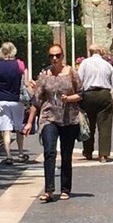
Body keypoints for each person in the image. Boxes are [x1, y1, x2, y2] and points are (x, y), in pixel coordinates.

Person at [26, 44, 83, 202]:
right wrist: (30, 122)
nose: (54, 59)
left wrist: (69, 99)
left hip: (69, 119)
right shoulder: (44, 75)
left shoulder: (72, 73)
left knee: (66, 155)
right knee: (49, 152)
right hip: (48, 117)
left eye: (57, 55)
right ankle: (49, 190)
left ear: (63, 56)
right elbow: (36, 101)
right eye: (51, 56)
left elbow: (81, 93)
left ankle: (65, 188)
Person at [77, 44, 113, 163]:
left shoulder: (84, 63)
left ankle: (88, 151)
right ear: (100, 52)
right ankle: (103, 154)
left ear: (89, 52)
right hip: (104, 94)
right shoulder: (107, 65)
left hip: (88, 95)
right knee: (105, 125)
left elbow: (79, 81)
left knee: (88, 124)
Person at [0, 42, 32, 165]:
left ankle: (9, 155)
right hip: (17, 100)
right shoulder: (19, 64)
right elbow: (26, 83)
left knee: (5, 129)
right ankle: (20, 153)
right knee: (19, 127)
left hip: (2, 99)